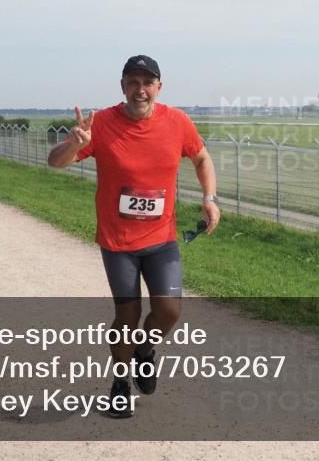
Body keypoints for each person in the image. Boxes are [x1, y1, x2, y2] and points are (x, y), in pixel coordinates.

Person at [47, 55, 221, 419]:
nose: (140, 89)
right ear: (123, 86)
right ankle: (121, 383)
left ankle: (144, 350)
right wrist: (75, 144)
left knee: (169, 309)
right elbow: (55, 162)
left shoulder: (177, 122)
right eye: (133, 82)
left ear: (159, 86)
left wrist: (209, 199)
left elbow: (202, 159)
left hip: (162, 239)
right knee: (127, 314)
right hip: (117, 242)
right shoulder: (103, 124)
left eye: (147, 82)